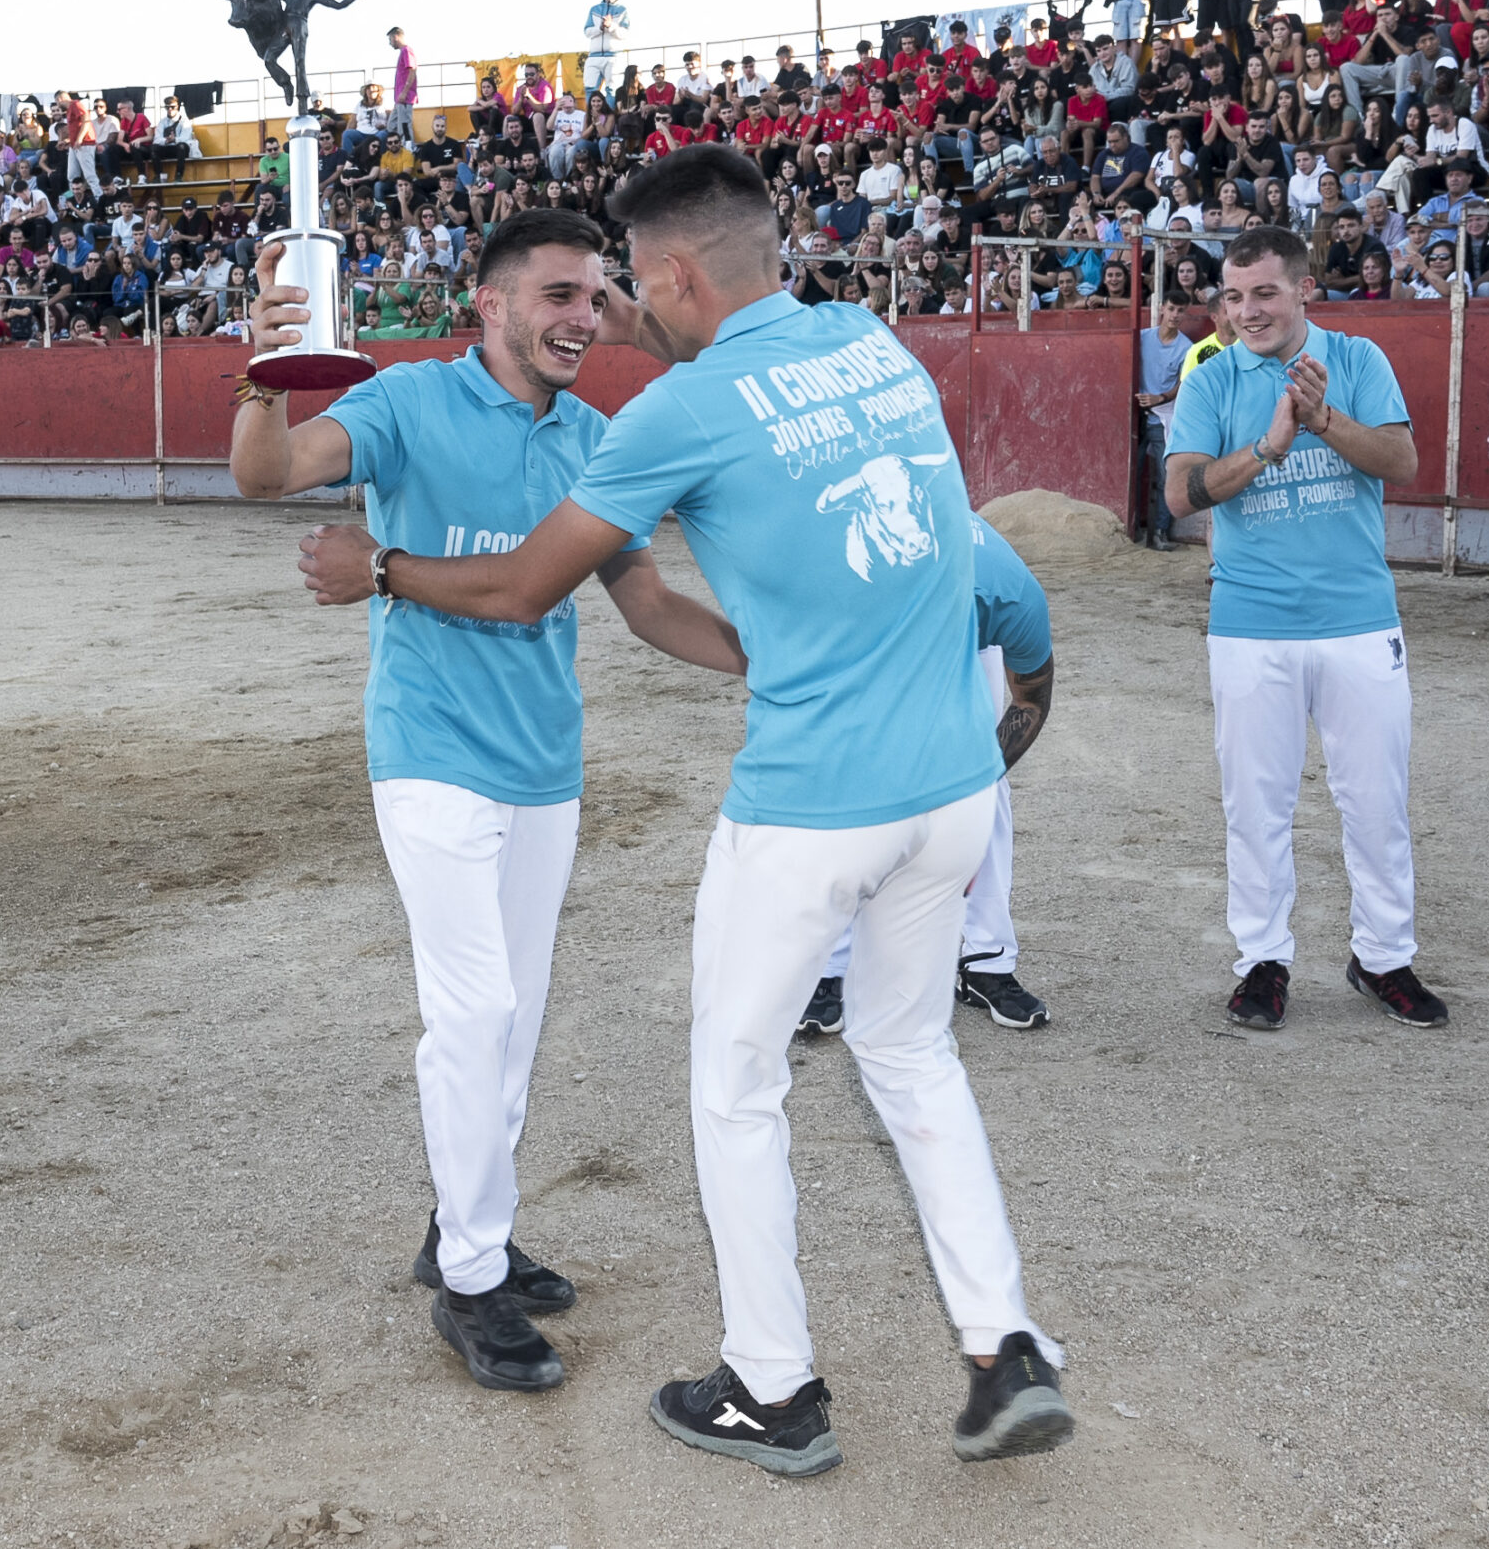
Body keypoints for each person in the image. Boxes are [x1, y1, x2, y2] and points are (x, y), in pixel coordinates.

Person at [283, 145, 1071, 1473]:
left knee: (737, 1086)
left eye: (625, 289)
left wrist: (383, 568)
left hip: (817, 800)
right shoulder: (873, 340)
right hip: (954, 786)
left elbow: (528, 588)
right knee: (911, 1053)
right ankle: (1005, 1348)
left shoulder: (674, 413)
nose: (611, 316)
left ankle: (774, 1385)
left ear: (670, 277)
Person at [236, 207, 747, 1393]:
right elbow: (265, 472)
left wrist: (780, 666)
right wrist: (263, 371)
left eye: (595, 295)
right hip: (427, 751)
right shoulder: (409, 403)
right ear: (493, 304)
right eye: (559, 294)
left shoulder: (597, 434)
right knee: (472, 1013)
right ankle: (470, 1278)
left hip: (544, 763)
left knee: (512, 1019)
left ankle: (466, 1220)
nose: (582, 315)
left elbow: (650, 604)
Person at [1163, 227, 1445, 1034]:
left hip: (1359, 618)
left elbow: (1401, 463)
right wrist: (1268, 445)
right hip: (1250, 623)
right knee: (1256, 804)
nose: (1247, 310)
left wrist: (1322, 421)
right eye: (1233, 295)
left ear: (1303, 290)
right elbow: (1181, 494)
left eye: (1264, 293)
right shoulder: (1212, 380)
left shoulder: (1357, 360)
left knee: (1376, 803)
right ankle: (1262, 960)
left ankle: (1384, 957)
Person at [805, 516, 1057, 1034]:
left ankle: (985, 958)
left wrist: (970, 778)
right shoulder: (850, 581)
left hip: (954, 619)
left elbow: (1029, 701)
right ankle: (831, 965)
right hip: (868, 632)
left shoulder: (1007, 597)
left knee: (986, 792)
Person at [1136, 290, 1195, 548]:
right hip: (1135, 415)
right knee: (1133, 475)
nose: (1175, 315)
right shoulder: (1141, 338)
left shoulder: (1187, 347)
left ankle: (1160, 532)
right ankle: (1133, 529)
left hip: (1163, 417)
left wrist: (1160, 397)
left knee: (1164, 478)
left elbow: (1184, 384)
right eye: (1171, 309)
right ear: (1161, 308)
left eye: (1180, 311)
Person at [582, 0, 630, 101]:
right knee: (590, 89)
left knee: (612, 90)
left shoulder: (622, 10)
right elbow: (587, 31)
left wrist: (610, 26)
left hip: (613, 55)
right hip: (594, 55)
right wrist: (600, 27)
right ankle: (590, 118)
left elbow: (625, 33)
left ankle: (611, 118)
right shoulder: (594, 9)